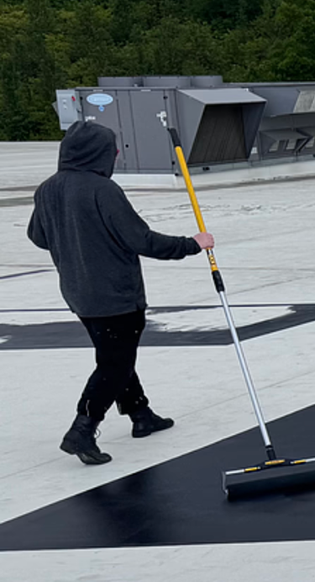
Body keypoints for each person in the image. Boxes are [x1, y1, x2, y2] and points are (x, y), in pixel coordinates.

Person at [25, 121, 213, 466]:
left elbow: (38, 236)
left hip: (78, 292)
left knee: (116, 354)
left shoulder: (47, 189)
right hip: (115, 294)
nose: (115, 155)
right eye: (111, 150)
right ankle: (83, 429)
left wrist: (73, 238)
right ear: (99, 153)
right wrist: (192, 244)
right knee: (115, 362)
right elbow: (140, 239)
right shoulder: (102, 190)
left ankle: (140, 414)